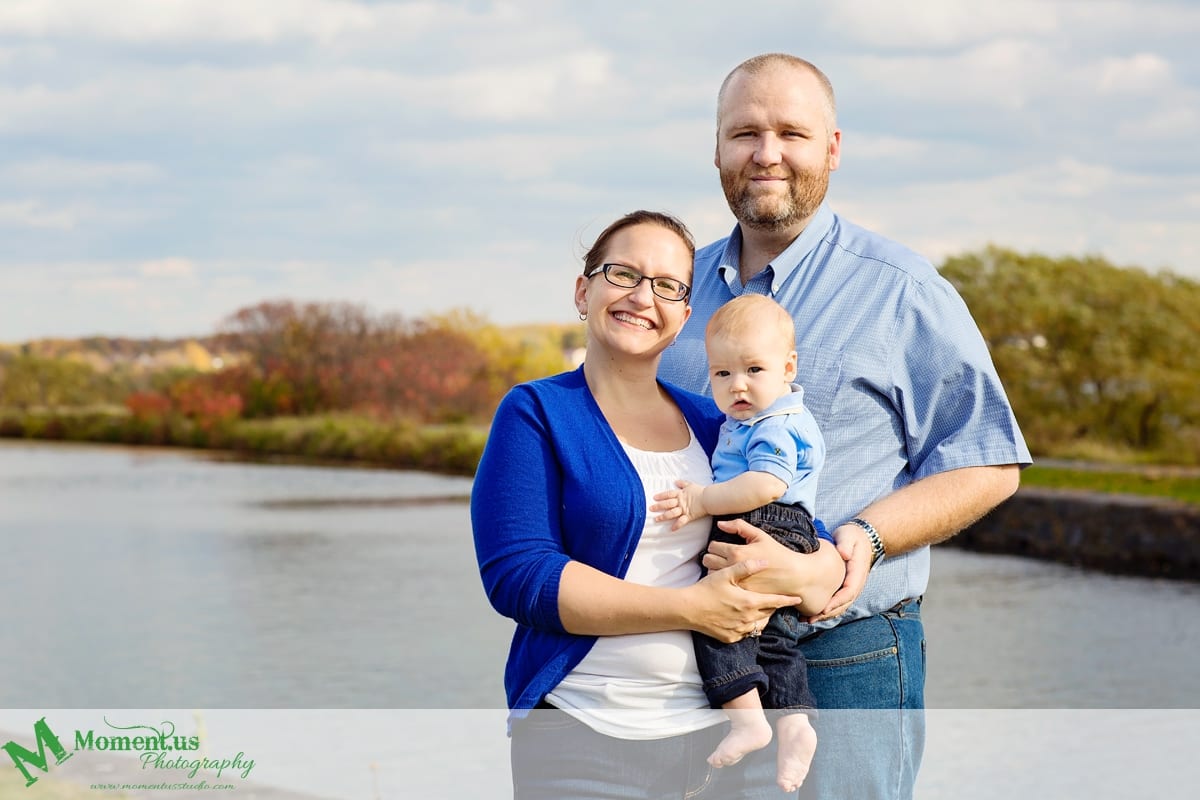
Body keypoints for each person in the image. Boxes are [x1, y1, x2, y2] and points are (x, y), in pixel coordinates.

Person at [657, 54, 1033, 800]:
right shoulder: (673, 291)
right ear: (716, 149)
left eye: (792, 133)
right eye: (745, 133)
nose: (766, 153)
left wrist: (860, 541)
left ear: (832, 148)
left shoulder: (902, 291)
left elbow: (988, 462)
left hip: (842, 655)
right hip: (685, 652)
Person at [471, 209, 846, 799]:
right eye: (623, 274)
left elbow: (805, 538)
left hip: (729, 748)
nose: (644, 297)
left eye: (669, 285)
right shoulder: (537, 412)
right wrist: (692, 608)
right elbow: (520, 577)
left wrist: (815, 571)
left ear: (684, 317)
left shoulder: (716, 422)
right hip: (585, 736)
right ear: (583, 291)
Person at [652, 293, 829, 792]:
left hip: (761, 521)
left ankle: (747, 719)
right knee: (771, 638)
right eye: (722, 373)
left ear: (788, 367)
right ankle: (794, 722)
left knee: (719, 624)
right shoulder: (761, 418)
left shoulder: (773, 425)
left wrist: (703, 500)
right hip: (785, 528)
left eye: (754, 369)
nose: (738, 385)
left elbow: (766, 483)